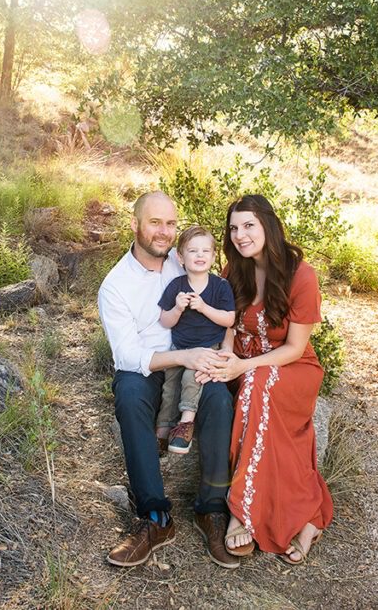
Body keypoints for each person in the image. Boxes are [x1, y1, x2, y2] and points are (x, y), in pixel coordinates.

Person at [97, 192, 239, 569]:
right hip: (150, 368)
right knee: (128, 394)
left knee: (220, 400)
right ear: (135, 224)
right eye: (154, 222)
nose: (163, 232)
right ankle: (156, 517)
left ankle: (210, 510)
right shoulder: (116, 285)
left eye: (170, 224)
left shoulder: (185, 264)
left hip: (194, 361)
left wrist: (221, 354)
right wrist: (182, 357)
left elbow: (225, 313)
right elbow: (127, 356)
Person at [205, 194, 334, 565]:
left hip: (291, 368)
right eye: (234, 228)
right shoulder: (234, 270)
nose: (240, 235)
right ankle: (308, 517)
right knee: (235, 387)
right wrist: (226, 355)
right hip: (244, 365)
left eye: (249, 225)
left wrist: (244, 368)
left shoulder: (300, 275)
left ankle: (240, 512)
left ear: (268, 226)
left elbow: (295, 347)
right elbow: (227, 324)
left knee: (255, 388)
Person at [156, 225, 235, 455]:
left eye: (205, 251)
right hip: (179, 348)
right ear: (180, 257)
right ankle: (162, 431)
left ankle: (186, 424)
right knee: (169, 387)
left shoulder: (220, 286)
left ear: (213, 256)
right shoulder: (176, 287)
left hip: (208, 346)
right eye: (192, 251)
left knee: (192, 378)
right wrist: (178, 309)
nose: (199, 255)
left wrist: (203, 307)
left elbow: (229, 319)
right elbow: (165, 321)